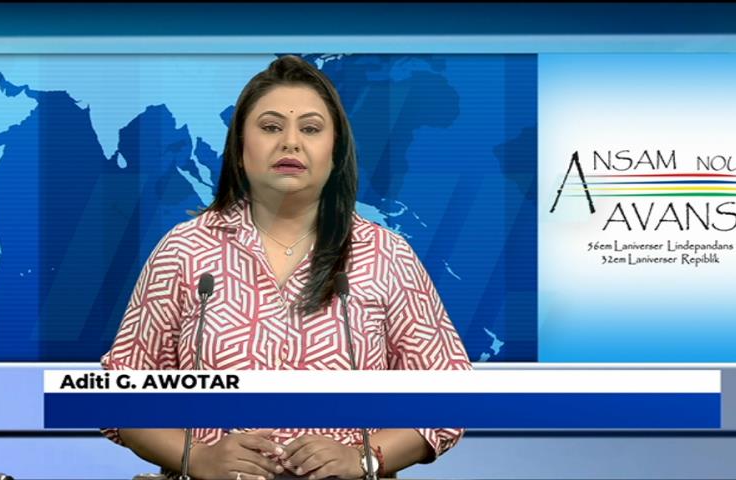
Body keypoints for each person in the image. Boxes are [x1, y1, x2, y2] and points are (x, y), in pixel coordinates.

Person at [101, 55, 472, 480]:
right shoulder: (184, 250)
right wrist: (198, 458)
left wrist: (364, 458)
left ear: (336, 151)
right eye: (271, 127)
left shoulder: (386, 255)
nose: (290, 143)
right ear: (240, 149)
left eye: (310, 129)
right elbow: (118, 397)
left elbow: (451, 397)